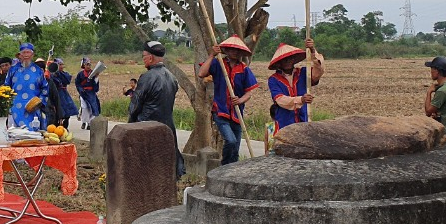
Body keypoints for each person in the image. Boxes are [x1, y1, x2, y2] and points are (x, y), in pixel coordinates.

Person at [198, 36, 260, 166]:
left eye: (237, 50)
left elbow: (249, 92)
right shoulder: (218, 63)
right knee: (231, 141)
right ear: (226, 50)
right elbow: (201, 73)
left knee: (235, 150)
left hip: (237, 113)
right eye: (231, 49)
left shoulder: (243, 69)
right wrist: (212, 55)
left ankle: (232, 173)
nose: (234, 52)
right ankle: (223, 167)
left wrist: (240, 100)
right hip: (221, 110)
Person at [128, 41, 184, 178]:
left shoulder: (147, 77)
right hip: (167, 127)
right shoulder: (172, 77)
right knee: (165, 167)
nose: (143, 59)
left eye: (144, 56)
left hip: (147, 126)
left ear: (151, 58)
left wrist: (130, 124)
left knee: (146, 168)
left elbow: (135, 106)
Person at [267, 39, 326, 137]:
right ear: (279, 63)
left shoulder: (303, 73)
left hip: (303, 117)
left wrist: (312, 50)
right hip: (285, 120)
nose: (288, 62)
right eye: (284, 60)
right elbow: (280, 99)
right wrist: (301, 99)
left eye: (290, 58)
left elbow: (318, 71)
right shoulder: (274, 79)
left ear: (294, 59)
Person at [5, 43, 49, 130]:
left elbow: (45, 88)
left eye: (28, 53)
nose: (26, 55)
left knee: (33, 136)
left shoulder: (38, 71)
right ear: (20, 55)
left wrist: (39, 102)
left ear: (32, 55)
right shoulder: (13, 70)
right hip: (15, 108)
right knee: (15, 136)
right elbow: (6, 87)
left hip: (33, 110)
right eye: (23, 53)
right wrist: (7, 104)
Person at [423, 55, 446, 144]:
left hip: (444, 137)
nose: (431, 71)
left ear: (437, 71)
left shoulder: (442, 91)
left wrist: (429, 92)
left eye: (432, 69)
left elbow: (428, 112)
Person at [47, 58, 79, 129]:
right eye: (59, 64)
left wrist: (58, 73)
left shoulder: (64, 74)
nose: (61, 66)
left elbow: (67, 80)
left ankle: (65, 128)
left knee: (67, 114)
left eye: (62, 64)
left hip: (64, 95)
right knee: (57, 113)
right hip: (56, 95)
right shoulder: (51, 75)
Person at [74, 58, 100, 129]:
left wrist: (96, 77)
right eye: (87, 65)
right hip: (84, 93)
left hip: (91, 94)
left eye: (89, 65)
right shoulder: (80, 74)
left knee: (92, 108)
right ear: (83, 65)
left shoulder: (93, 73)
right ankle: (83, 122)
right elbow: (77, 84)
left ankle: (89, 123)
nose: (88, 66)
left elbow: (95, 85)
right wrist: (81, 90)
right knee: (84, 107)